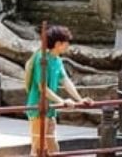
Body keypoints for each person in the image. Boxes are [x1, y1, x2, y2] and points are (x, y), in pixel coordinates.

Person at [25, 25, 92, 157]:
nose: (68, 45)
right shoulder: (41, 58)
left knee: (52, 146)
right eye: (66, 42)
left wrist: (79, 99)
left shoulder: (57, 60)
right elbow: (42, 87)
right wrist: (62, 101)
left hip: (50, 109)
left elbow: (66, 81)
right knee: (38, 147)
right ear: (58, 44)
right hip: (38, 108)